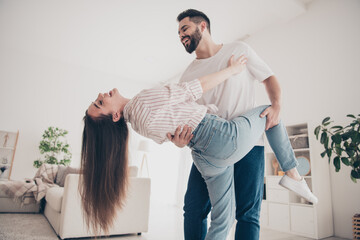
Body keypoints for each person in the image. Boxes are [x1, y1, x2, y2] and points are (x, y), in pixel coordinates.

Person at [80, 55, 317, 239]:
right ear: (114, 116)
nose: (102, 94)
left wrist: (179, 142)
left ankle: (293, 176)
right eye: (101, 103)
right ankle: (293, 174)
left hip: (203, 155)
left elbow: (173, 137)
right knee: (271, 113)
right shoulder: (142, 101)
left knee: (222, 220)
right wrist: (232, 70)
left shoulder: (138, 125)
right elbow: (193, 89)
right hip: (220, 137)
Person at [168, 9, 287, 240]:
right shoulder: (187, 76)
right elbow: (183, 117)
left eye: (184, 29)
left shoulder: (238, 50)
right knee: (193, 209)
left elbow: (268, 77)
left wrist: (277, 106)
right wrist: (179, 142)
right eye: (179, 33)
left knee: (248, 213)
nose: (181, 36)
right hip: (208, 150)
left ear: (202, 26)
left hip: (249, 145)